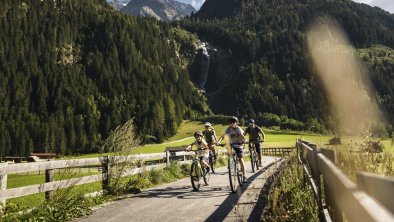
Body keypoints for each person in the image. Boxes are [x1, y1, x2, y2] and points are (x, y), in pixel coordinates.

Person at [218, 116, 247, 183]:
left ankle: (245, 176)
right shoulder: (228, 129)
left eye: (233, 122)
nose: (232, 123)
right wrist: (218, 142)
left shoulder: (238, 128)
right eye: (230, 122)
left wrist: (245, 140)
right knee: (229, 152)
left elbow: (241, 135)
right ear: (229, 123)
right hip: (232, 144)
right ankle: (231, 164)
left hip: (239, 144)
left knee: (240, 159)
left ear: (236, 123)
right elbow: (222, 136)